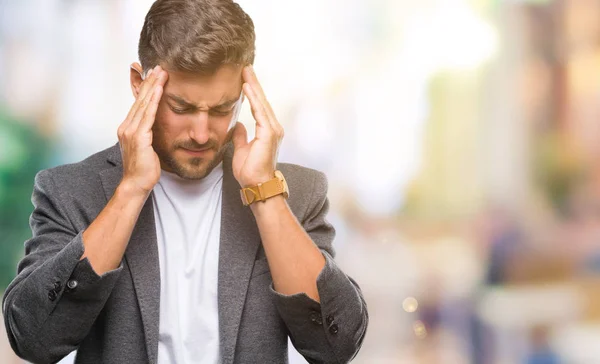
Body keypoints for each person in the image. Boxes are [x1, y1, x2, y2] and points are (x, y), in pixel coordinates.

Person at [2, 0, 368, 363]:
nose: (201, 132)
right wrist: (130, 191)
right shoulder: (70, 190)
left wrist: (265, 194)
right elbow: (34, 338)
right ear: (139, 84)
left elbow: (335, 346)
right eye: (181, 107)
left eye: (223, 109)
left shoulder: (296, 193)